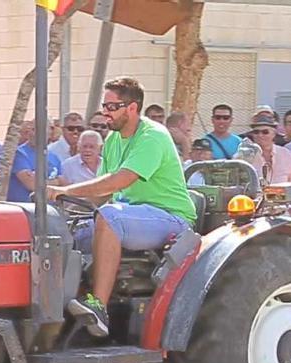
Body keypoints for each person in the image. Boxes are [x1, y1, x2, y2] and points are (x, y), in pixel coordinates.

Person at [47, 77, 196, 336]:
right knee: (68, 231)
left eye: (112, 107)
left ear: (132, 108)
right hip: (134, 215)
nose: (106, 113)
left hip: (170, 217)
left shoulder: (152, 136)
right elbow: (102, 194)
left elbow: (120, 181)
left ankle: (99, 306)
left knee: (109, 218)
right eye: (104, 106)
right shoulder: (114, 139)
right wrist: (61, 208)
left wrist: (65, 190)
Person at [7, 120, 67, 202]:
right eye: (33, 129)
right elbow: (32, 185)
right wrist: (56, 181)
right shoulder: (19, 154)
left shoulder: (54, 157)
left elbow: (64, 185)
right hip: (26, 209)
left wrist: (41, 182)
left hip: (50, 209)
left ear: (49, 133)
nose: (35, 133)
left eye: (41, 130)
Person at [249, 114, 291, 185]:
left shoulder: (286, 154)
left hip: (282, 195)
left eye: (265, 132)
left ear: (274, 134)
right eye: (256, 132)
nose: (260, 135)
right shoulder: (244, 155)